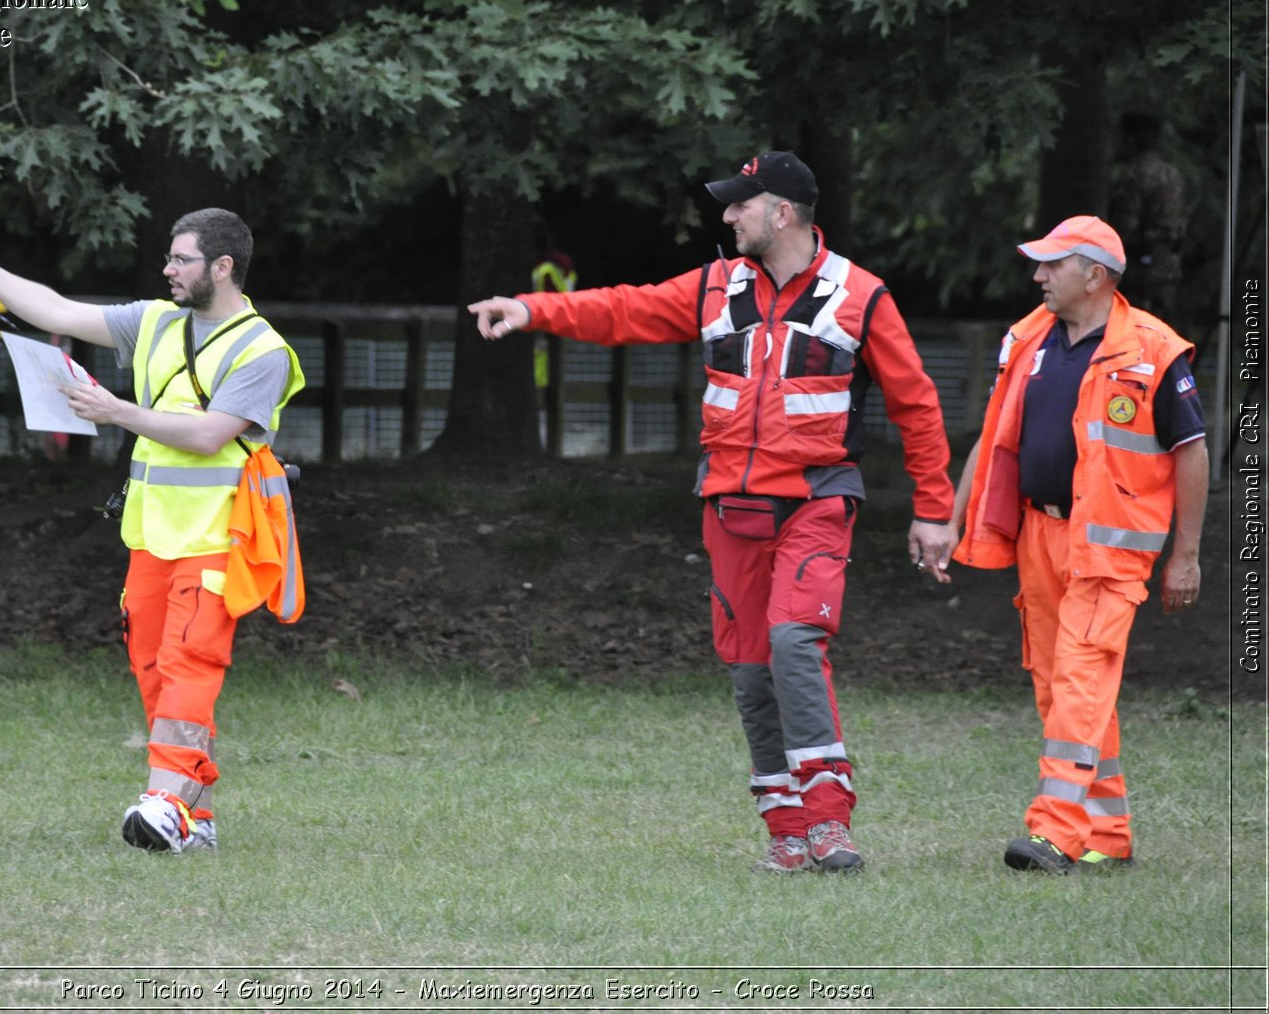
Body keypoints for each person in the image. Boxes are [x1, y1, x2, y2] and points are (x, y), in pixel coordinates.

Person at [468, 151, 955, 874]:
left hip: (818, 499)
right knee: (751, 671)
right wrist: (533, 308)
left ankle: (829, 821)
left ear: (780, 212)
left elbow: (917, 403)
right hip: (730, 506)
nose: (726, 216)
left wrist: (934, 509)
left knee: (793, 641)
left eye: (739, 204)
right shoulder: (714, 287)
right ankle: (786, 830)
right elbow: (622, 309)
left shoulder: (861, 295)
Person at [0, 208, 306, 854]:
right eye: (169, 259)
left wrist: (120, 412)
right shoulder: (153, 320)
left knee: (188, 666)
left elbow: (210, 435)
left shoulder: (262, 349)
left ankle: (166, 802)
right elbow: (57, 310)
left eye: (181, 259)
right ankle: (195, 818)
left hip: (215, 540)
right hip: (149, 537)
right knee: (153, 668)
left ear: (223, 266)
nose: (168, 269)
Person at [941, 215, 1207, 873]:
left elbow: (1192, 450)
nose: (1037, 276)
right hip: (1040, 535)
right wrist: (953, 517)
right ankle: (1108, 830)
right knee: (1060, 685)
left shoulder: (1154, 349)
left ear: (1094, 275)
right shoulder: (1029, 339)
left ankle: (1055, 831)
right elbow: (993, 430)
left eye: (1051, 265)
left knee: (1082, 681)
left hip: (1111, 552)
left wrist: (1187, 554)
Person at [1108, 114, 1189, 336]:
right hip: (1168, 266)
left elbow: (1123, 229)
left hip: (1140, 270)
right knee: (1164, 332)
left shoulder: (1133, 176)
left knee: (1137, 332)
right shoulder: (1172, 174)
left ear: (1130, 139)